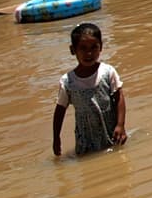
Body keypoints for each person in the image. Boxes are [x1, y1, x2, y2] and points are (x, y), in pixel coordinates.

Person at [52, 22, 127, 156]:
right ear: (72, 50)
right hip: (85, 142)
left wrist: (120, 125)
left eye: (94, 47)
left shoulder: (108, 72)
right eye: (83, 48)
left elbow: (119, 98)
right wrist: (56, 138)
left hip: (111, 135)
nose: (89, 53)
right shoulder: (68, 81)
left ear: (101, 47)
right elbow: (60, 111)